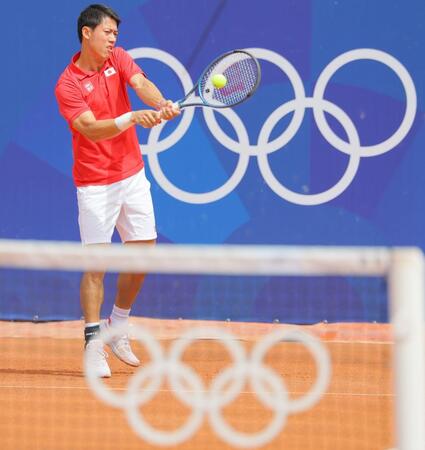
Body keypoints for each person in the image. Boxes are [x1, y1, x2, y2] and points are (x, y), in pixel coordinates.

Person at [55, 4, 179, 378]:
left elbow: (140, 84)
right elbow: (91, 128)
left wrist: (160, 104)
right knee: (96, 267)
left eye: (115, 34)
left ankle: (117, 326)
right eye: (107, 32)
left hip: (131, 176)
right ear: (86, 34)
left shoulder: (120, 59)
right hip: (94, 184)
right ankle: (93, 342)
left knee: (143, 254)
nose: (113, 39)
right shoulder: (68, 84)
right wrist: (130, 118)